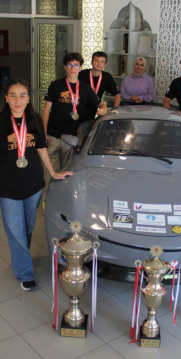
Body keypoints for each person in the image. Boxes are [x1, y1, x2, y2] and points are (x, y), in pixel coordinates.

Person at [0, 78, 72, 291]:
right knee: (15, 231)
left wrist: (53, 172)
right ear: (6, 98)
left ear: (28, 98)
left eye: (22, 95)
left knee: (28, 228)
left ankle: (20, 256)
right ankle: (24, 273)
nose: (17, 100)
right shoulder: (2, 123)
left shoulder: (35, 121)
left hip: (32, 184)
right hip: (7, 187)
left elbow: (41, 148)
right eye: (13, 95)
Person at [42, 52, 103, 202]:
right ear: (65, 67)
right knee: (49, 173)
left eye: (76, 65)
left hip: (72, 140)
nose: (73, 68)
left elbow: (99, 103)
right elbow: (46, 110)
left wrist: (103, 108)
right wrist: (44, 133)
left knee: (67, 173)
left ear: (80, 68)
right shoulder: (55, 85)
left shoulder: (85, 88)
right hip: (53, 137)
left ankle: (63, 201)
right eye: (70, 65)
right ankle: (47, 202)